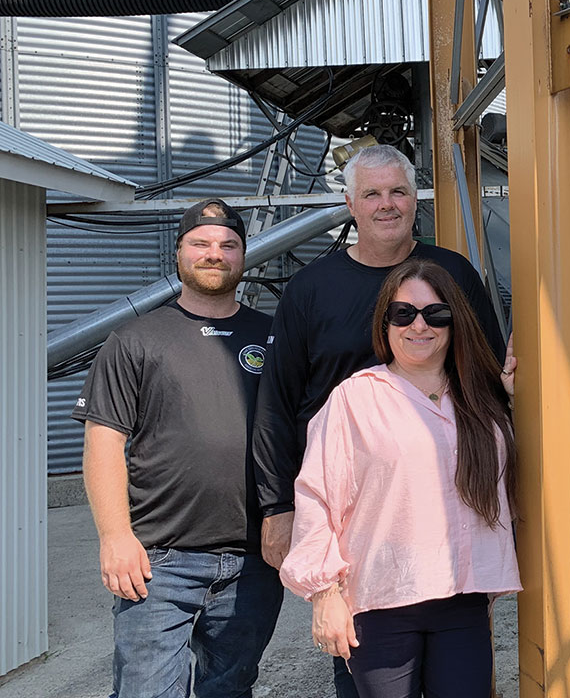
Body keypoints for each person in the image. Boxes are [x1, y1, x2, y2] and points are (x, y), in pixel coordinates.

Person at [252, 144, 509, 697]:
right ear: (350, 203)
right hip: (361, 522)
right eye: (372, 193)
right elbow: (276, 403)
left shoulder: (453, 275)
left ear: (414, 199)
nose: (386, 204)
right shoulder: (311, 291)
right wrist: (278, 509)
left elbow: (488, 386)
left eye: (398, 191)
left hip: (442, 519)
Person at [279, 258, 519, 698]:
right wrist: (324, 594)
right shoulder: (355, 398)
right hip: (382, 599)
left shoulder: (482, 401)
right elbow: (317, 497)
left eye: (436, 313)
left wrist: (516, 399)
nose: (419, 326)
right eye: (403, 313)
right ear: (385, 323)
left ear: (455, 321)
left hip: (462, 599)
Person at [74, 198, 282, 698]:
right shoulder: (135, 339)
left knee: (229, 689)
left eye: (228, 245)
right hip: (159, 561)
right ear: (179, 253)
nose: (215, 253)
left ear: (243, 256)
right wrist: (114, 536)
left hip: (255, 559)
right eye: (201, 244)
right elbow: (104, 439)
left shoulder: (274, 336)